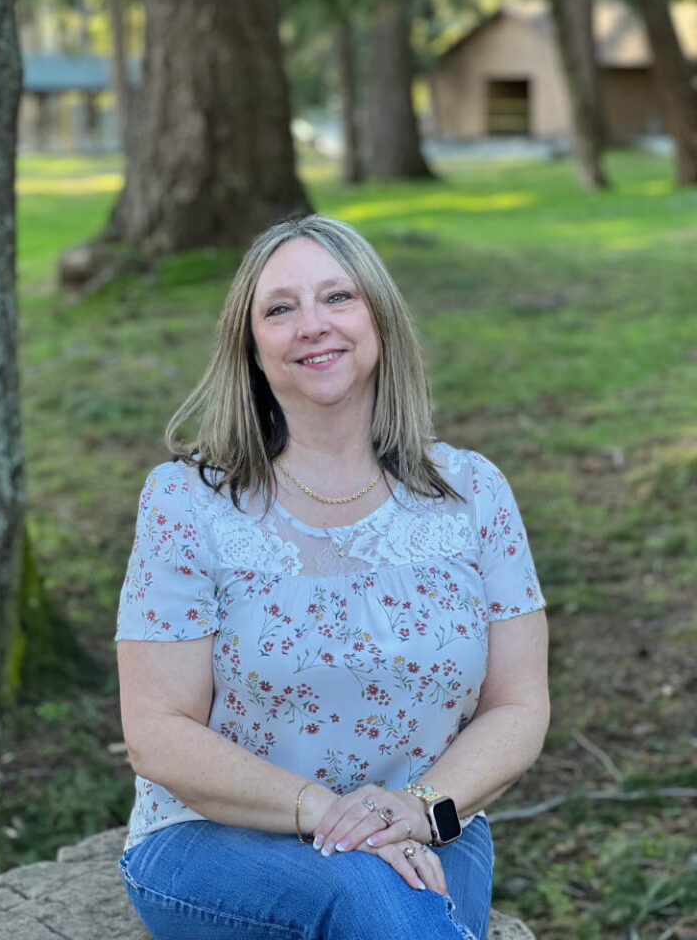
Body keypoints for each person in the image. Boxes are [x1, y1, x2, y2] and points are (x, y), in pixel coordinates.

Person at [115, 215, 549, 940]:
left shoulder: (473, 492)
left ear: (379, 318)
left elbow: (519, 707)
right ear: (252, 348)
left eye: (337, 298)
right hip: (213, 839)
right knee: (372, 888)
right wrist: (329, 812)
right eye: (280, 309)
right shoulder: (188, 502)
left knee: (383, 892)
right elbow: (156, 733)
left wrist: (413, 809)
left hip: (432, 824)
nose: (312, 325)